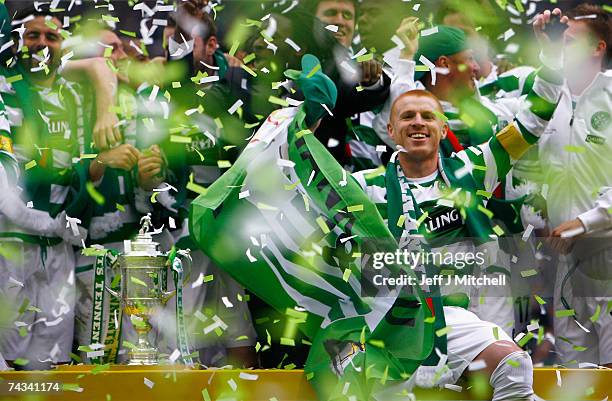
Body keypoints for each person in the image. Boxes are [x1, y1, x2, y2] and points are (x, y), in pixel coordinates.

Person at [0, 5, 94, 369]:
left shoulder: (75, 97)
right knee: (10, 363)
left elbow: (83, 172)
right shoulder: (4, 88)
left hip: (60, 248)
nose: (42, 43)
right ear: (17, 42)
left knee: (50, 364)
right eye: (32, 35)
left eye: (51, 36)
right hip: (11, 244)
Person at [538, 4, 612, 368]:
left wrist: (585, 222)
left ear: (598, 48)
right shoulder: (544, 98)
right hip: (564, 262)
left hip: (608, 253)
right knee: (573, 377)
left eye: (570, 40)